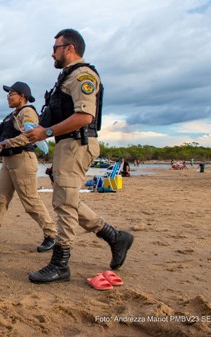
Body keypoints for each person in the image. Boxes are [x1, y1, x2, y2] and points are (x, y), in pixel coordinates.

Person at [25, 29, 133, 284]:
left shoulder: (83, 75)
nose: (52, 52)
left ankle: (60, 264)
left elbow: (85, 116)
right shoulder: (67, 77)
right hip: (68, 144)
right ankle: (114, 237)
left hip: (77, 143)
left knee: (64, 204)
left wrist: (47, 131)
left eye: (56, 47)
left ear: (70, 48)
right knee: (68, 199)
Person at [0, 81, 58, 252]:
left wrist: (3, 144)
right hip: (8, 161)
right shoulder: (12, 115)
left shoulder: (28, 112)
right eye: (8, 94)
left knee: (30, 201)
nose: (8, 97)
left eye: (11, 94)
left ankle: (52, 234)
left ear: (22, 96)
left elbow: (29, 136)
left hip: (22, 159)